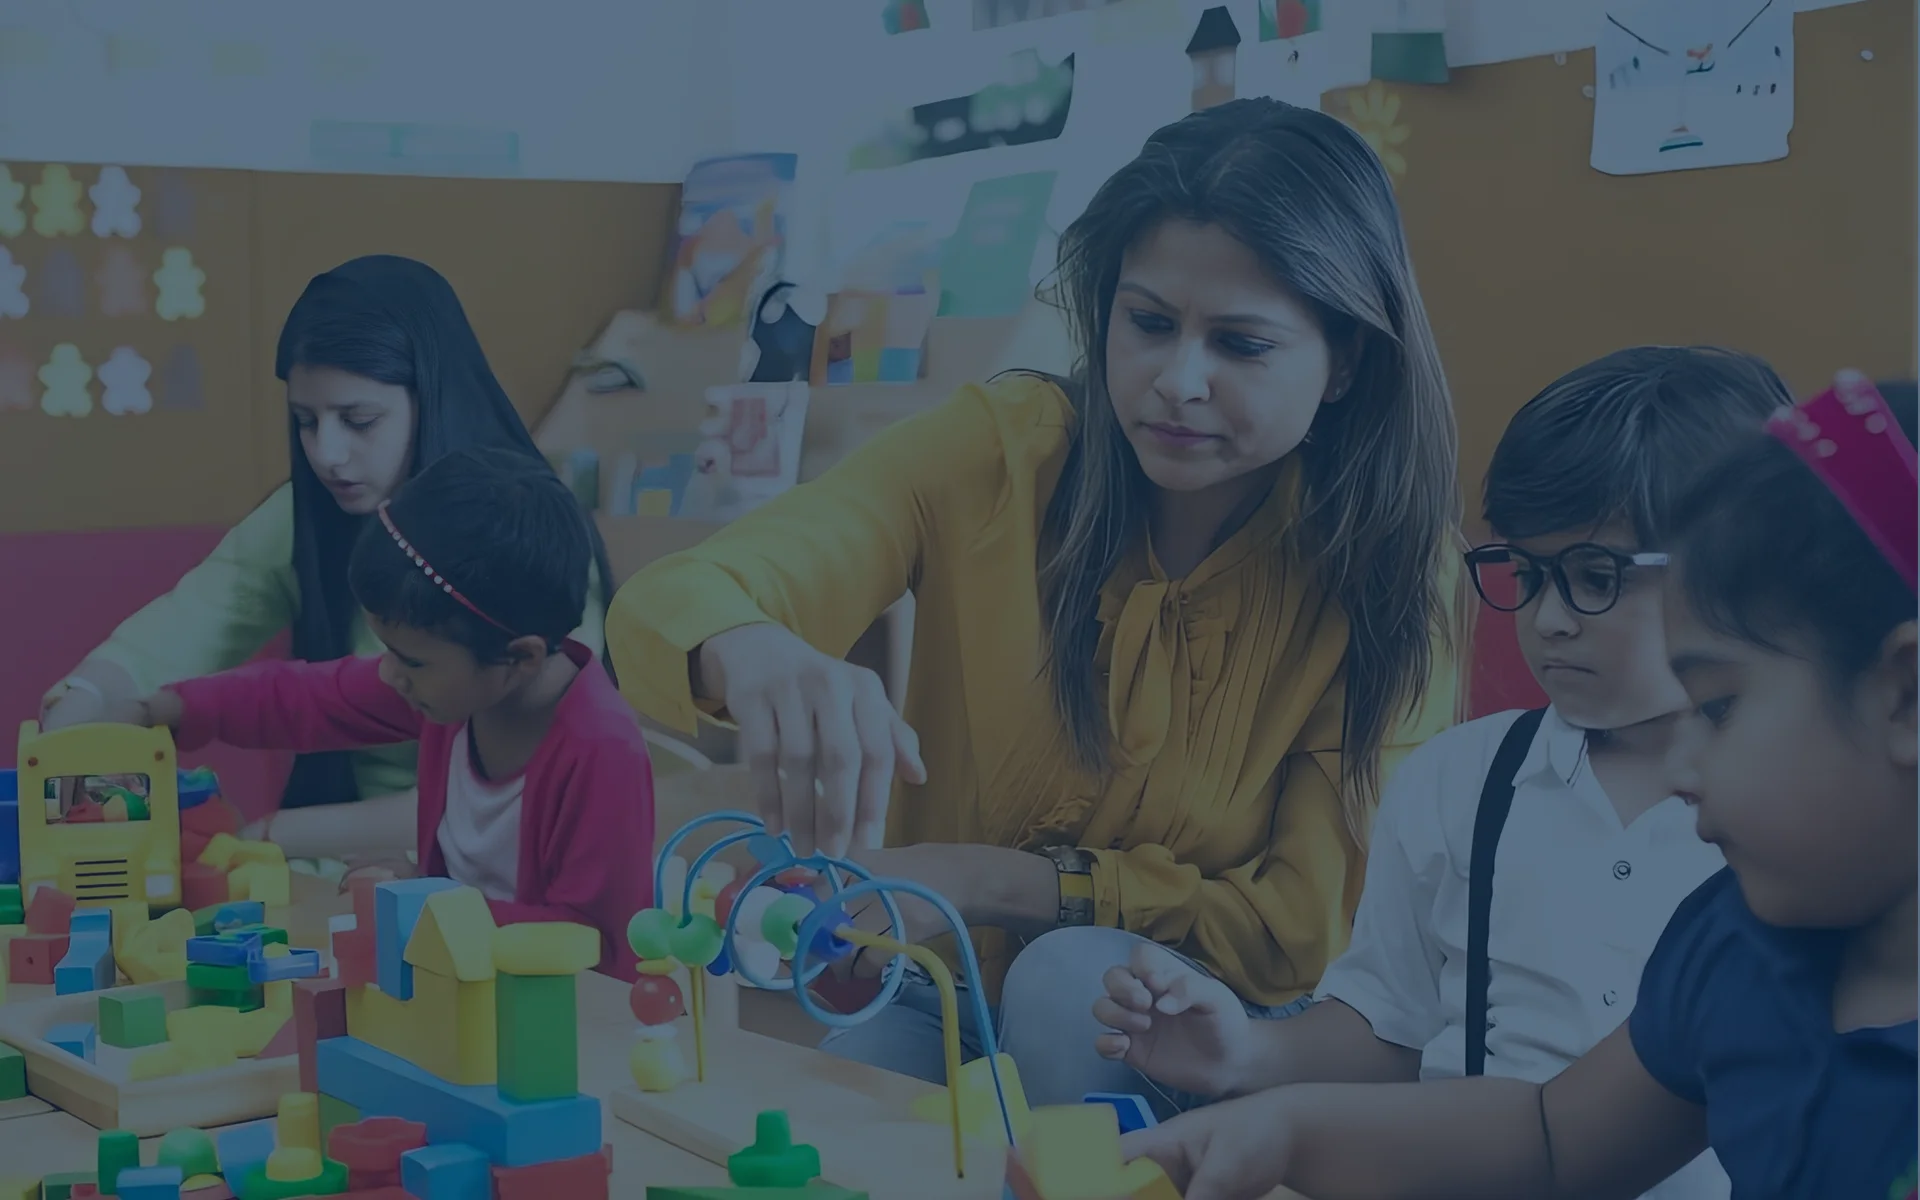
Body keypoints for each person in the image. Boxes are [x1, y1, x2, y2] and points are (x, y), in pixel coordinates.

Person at [606, 98, 1461, 1104]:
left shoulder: (1393, 569)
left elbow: (1297, 929)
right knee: (842, 1105)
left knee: (1069, 986)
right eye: (1148, 324)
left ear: (1347, 360)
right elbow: (672, 600)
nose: (1177, 380)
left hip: (1211, 1028)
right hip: (945, 981)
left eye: (1242, 344)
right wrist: (749, 644)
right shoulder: (999, 452)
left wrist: (986, 881)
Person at [1120, 373, 1918, 1200]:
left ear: (1905, 697)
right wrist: (1279, 1128)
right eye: (1526, 575)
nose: (1684, 772)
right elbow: (1550, 1137)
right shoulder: (1730, 952)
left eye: (1717, 708)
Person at [38, 255, 616, 864]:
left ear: (432, 399)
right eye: (306, 422)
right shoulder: (308, 515)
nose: (327, 454)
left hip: (488, 876)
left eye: (359, 420)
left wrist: (269, 837)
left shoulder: (528, 541)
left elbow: (517, 806)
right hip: (340, 871)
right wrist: (80, 712)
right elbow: (187, 631)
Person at [136, 447, 652, 977]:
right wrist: (181, 707)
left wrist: (426, 901)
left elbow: (591, 945)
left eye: (409, 659)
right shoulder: (459, 685)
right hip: (455, 981)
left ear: (520, 657)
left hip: (563, 1027)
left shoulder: (600, 750)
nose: (388, 674)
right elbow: (312, 697)